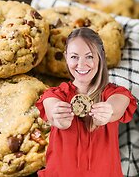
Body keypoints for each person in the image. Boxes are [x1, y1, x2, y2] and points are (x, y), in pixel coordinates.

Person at [35, 27, 137, 177]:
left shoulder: (115, 93)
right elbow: (51, 110)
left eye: (89, 57)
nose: (81, 64)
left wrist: (108, 111)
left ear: (100, 57)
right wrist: (58, 117)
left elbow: (118, 106)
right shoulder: (56, 94)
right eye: (74, 57)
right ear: (66, 57)